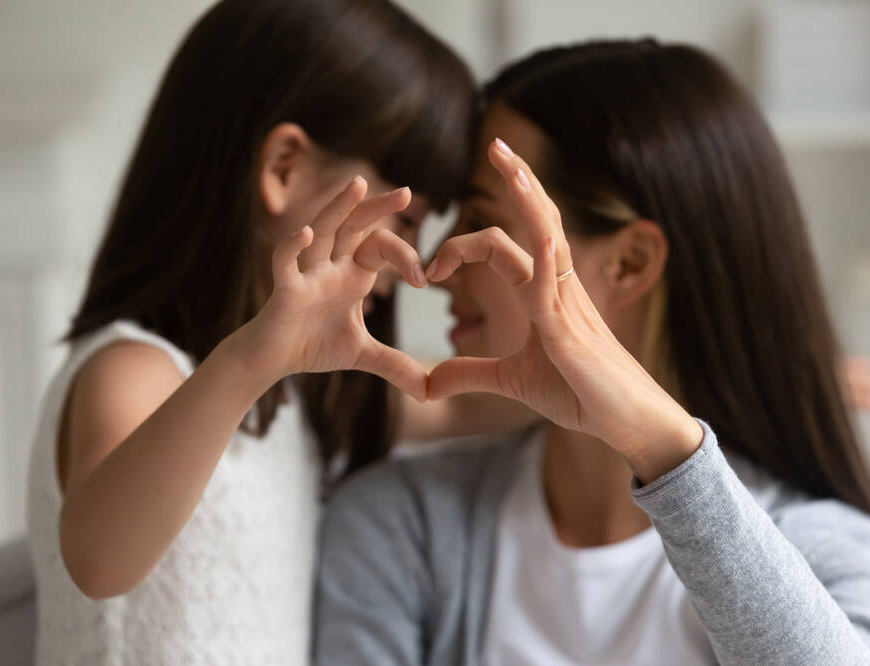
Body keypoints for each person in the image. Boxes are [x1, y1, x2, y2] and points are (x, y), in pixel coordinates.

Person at [315, 40, 870, 665]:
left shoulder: (822, 552)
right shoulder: (400, 525)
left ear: (629, 262)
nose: (440, 266)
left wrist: (666, 452)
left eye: (479, 217)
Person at [25, 0, 478, 663]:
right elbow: (98, 562)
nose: (409, 263)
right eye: (407, 219)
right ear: (283, 168)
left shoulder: (303, 398)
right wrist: (251, 361)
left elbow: (465, 399)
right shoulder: (134, 370)